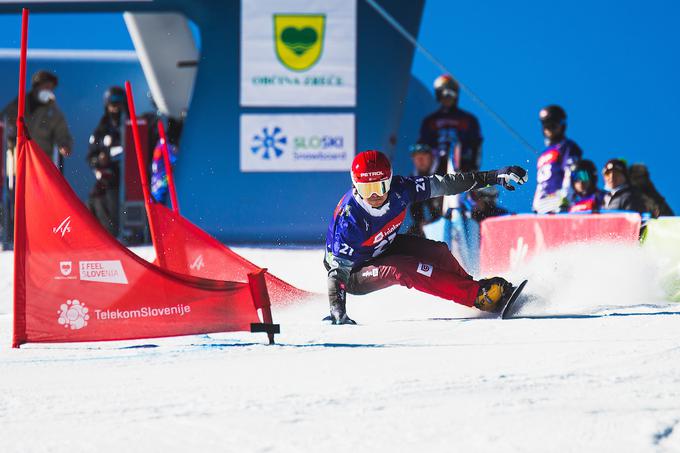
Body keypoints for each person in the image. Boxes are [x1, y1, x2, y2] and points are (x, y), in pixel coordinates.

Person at [324, 150, 528, 324]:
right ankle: (476, 296)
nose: (374, 196)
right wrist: (337, 310)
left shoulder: (401, 189)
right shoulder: (349, 221)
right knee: (401, 269)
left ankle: (478, 291)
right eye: (366, 189)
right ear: (355, 186)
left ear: (390, 181)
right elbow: (337, 273)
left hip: (382, 246)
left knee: (437, 251)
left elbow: (447, 184)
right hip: (353, 273)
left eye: (380, 187)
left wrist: (494, 177)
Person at [2, 70, 73, 172]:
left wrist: (65, 146)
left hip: (41, 167)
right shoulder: (18, 105)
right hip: (18, 163)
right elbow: (4, 121)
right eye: (46, 87)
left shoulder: (54, 113)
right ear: (36, 87)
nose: (48, 91)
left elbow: (63, 135)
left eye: (51, 88)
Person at [418, 74, 483, 175]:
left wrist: (474, 168)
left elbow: (476, 144)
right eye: (443, 94)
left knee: (456, 147)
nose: (447, 98)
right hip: (436, 165)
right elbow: (424, 143)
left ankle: (468, 183)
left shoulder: (468, 119)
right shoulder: (431, 121)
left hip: (462, 165)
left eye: (450, 94)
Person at [86, 86, 126, 235]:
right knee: (94, 201)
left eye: (118, 103)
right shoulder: (102, 128)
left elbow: (132, 151)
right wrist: (99, 160)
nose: (115, 107)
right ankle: (104, 237)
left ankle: (119, 234)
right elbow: (91, 156)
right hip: (108, 181)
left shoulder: (127, 125)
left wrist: (113, 156)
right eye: (112, 103)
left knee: (114, 202)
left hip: (125, 181)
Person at [532, 105, 583, 214]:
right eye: (545, 124)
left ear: (562, 125)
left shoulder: (567, 147)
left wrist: (565, 198)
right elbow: (540, 183)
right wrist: (536, 205)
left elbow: (571, 172)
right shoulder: (543, 155)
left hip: (560, 201)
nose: (549, 127)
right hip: (543, 204)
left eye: (553, 123)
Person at [406, 143, 441, 236]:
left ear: (432, 156)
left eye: (423, 156)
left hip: (455, 217)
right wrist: (421, 222)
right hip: (436, 221)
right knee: (411, 235)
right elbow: (415, 207)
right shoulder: (413, 179)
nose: (420, 160)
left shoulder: (445, 169)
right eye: (416, 157)